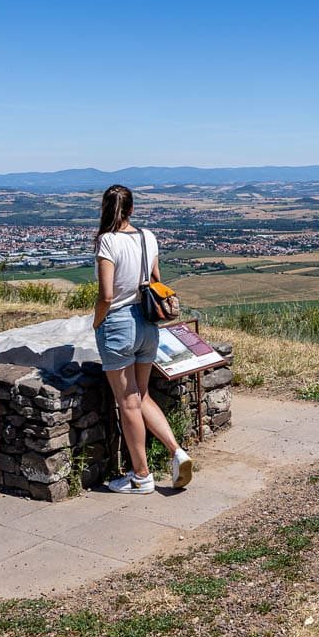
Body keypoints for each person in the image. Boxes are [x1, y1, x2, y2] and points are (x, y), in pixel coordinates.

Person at [92, 184, 193, 494]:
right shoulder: (148, 237)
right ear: (132, 209)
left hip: (119, 324)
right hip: (149, 325)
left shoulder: (107, 242)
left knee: (128, 403)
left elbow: (107, 294)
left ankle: (141, 475)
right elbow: (156, 281)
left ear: (105, 209)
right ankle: (177, 452)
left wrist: (97, 322)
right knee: (143, 395)